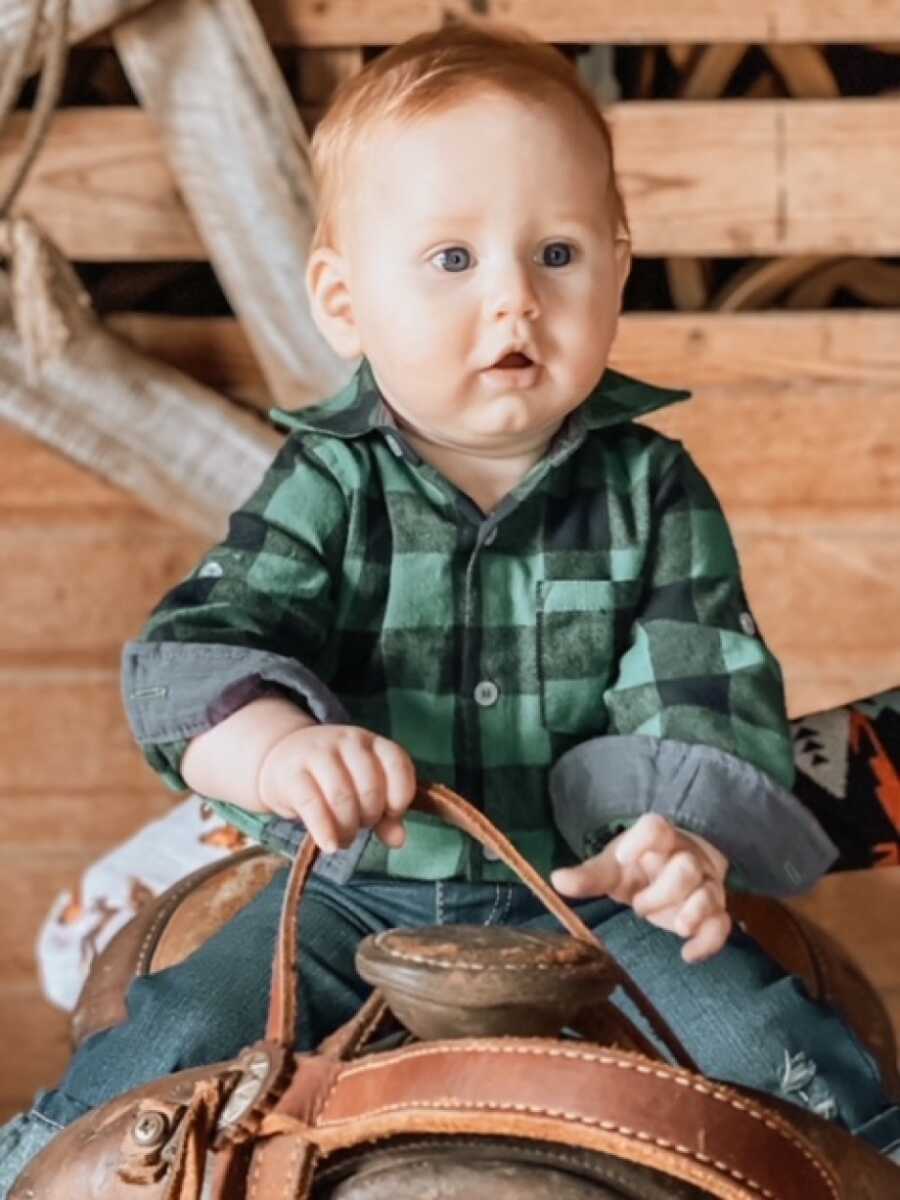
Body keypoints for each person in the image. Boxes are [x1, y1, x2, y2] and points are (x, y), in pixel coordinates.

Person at [2, 18, 898, 1193]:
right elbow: (202, 650)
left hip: (589, 897)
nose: (515, 303)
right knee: (162, 1047)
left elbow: (702, 683)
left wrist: (676, 842)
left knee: (788, 1067)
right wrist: (283, 752)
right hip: (348, 889)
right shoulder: (329, 483)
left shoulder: (652, 487)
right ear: (342, 298)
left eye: (560, 255)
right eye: (453, 260)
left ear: (620, 269)